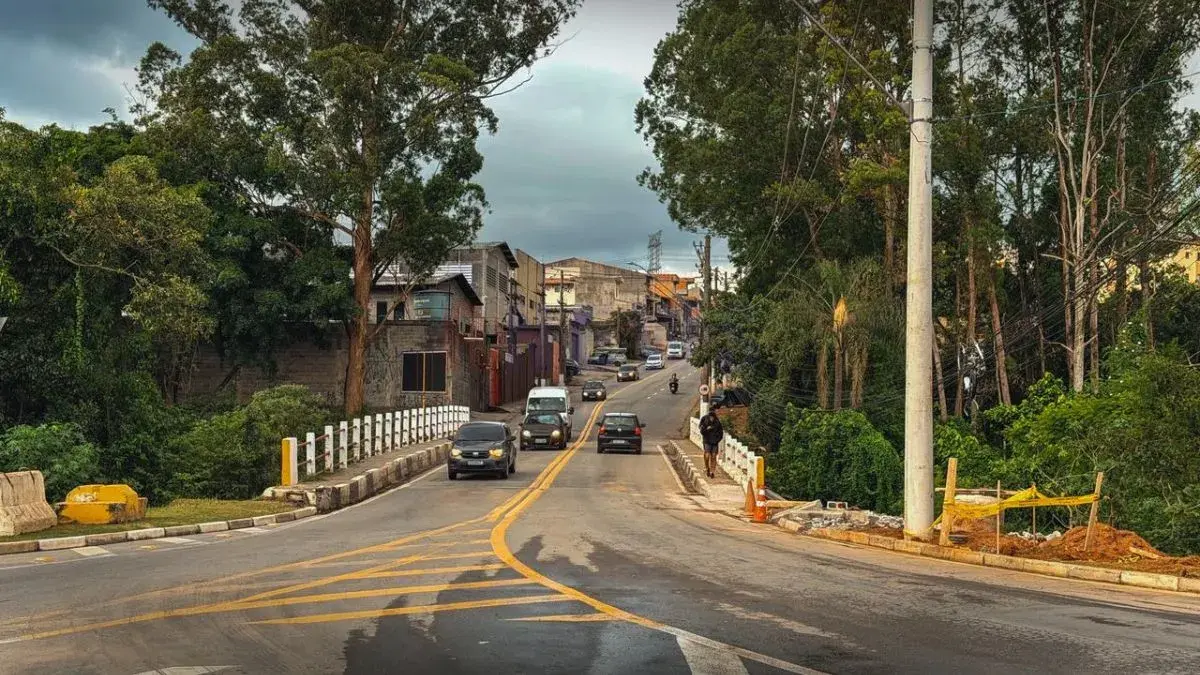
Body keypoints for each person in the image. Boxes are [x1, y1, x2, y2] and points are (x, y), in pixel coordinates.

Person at [698, 408, 724, 479]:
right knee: (707, 456)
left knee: (713, 456)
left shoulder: (717, 422)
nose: (711, 418)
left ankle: (712, 471)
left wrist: (717, 440)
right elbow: (701, 430)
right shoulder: (704, 419)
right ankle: (707, 468)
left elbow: (721, 432)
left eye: (713, 417)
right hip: (707, 441)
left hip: (715, 442)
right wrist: (706, 429)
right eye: (710, 417)